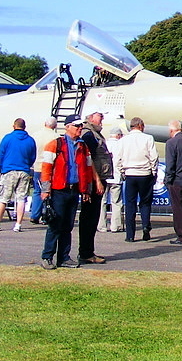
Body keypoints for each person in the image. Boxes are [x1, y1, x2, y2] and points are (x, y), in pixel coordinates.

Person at [39, 114, 101, 270]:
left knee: (68, 226)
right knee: (55, 225)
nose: (80, 128)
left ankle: (64, 258)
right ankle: (47, 257)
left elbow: (86, 170)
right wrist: (46, 190)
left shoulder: (83, 147)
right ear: (67, 127)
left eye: (81, 126)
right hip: (58, 190)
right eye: (76, 126)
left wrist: (86, 190)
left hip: (74, 191)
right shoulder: (55, 144)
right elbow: (46, 168)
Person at [0, 118, 35, 232]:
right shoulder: (30, 140)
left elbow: (0, 154)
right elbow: (32, 156)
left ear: (14, 126)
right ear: (24, 127)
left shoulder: (8, 138)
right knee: (21, 198)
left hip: (9, 170)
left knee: (4, 198)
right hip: (24, 170)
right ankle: (18, 224)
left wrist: (3, 166)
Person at [117, 117, 158, 243]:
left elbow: (118, 158)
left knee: (130, 204)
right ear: (140, 126)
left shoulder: (123, 140)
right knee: (145, 202)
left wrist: (122, 171)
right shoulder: (148, 138)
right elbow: (154, 157)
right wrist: (153, 171)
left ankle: (130, 235)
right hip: (145, 173)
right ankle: (146, 225)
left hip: (130, 173)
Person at [78, 111, 111, 264]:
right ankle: (86, 253)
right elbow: (89, 159)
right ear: (90, 118)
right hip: (93, 182)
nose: (102, 119)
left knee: (92, 217)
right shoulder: (88, 135)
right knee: (89, 218)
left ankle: (87, 251)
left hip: (97, 180)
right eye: (99, 116)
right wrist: (97, 180)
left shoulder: (94, 133)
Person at [30, 117, 58, 223]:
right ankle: (46, 214)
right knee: (49, 192)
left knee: (37, 191)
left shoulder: (35, 135)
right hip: (50, 167)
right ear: (55, 126)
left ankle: (34, 214)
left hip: (37, 166)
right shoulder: (56, 137)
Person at [101, 127, 124, 232]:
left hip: (104, 177)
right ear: (118, 135)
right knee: (116, 202)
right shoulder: (121, 145)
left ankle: (102, 225)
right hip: (116, 177)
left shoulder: (104, 144)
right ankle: (115, 226)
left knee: (102, 202)